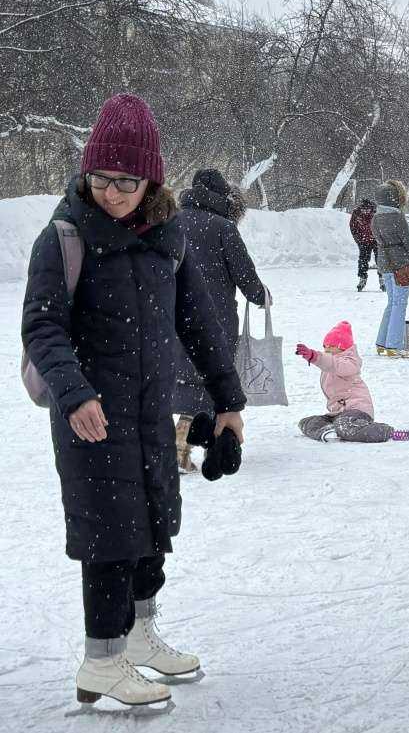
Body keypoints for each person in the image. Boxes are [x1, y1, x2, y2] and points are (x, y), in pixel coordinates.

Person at [21, 94, 246, 709]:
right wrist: (74, 394)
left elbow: (198, 322)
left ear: (151, 180)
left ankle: (140, 637)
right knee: (109, 535)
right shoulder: (64, 236)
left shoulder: (164, 239)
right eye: (101, 179)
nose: (112, 193)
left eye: (126, 181)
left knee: (151, 525)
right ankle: (102, 660)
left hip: (148, 411)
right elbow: (42, 328)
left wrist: (229, 400)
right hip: (90, 415)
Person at [172, 168, 268, 474]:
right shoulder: (223, 227)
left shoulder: (170, 222)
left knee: (186, 374)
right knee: (210, 377)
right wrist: (261, 296)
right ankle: (192, 441)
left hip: (172, 316)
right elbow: (245, 276)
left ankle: (182, 443)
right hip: (214, 320)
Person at [294, 321, 409, 441]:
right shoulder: (331, 360)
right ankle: (328, 431)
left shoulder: (350, 362)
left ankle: (391, 433)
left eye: (332, 346)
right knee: (307, 422)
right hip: (338, 413)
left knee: (345, 426)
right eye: (325, 346)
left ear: (343, 348)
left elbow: (335, 365)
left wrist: (314, 356)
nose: (327, 349)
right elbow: (329, 364)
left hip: (357, 410)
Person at [371, 180, 409, 358]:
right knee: (400, 304)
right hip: (401, 265)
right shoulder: (397, 217)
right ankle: (394, 346)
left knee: (391, 303)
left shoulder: (376, 218)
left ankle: (382, 342)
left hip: (384, 264)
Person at [350, 196, 381, 292]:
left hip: (377, 241)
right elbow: (353, 227)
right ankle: (362, 278)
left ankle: (382, 278)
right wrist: (359, 240)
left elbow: (382, 226)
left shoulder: (377, 213)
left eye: (368, 210)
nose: (366, 212)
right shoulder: (356, 213)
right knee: (363, 259)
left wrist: (380, 238)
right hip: (363, 241)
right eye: (364, 210)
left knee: (380, 259)